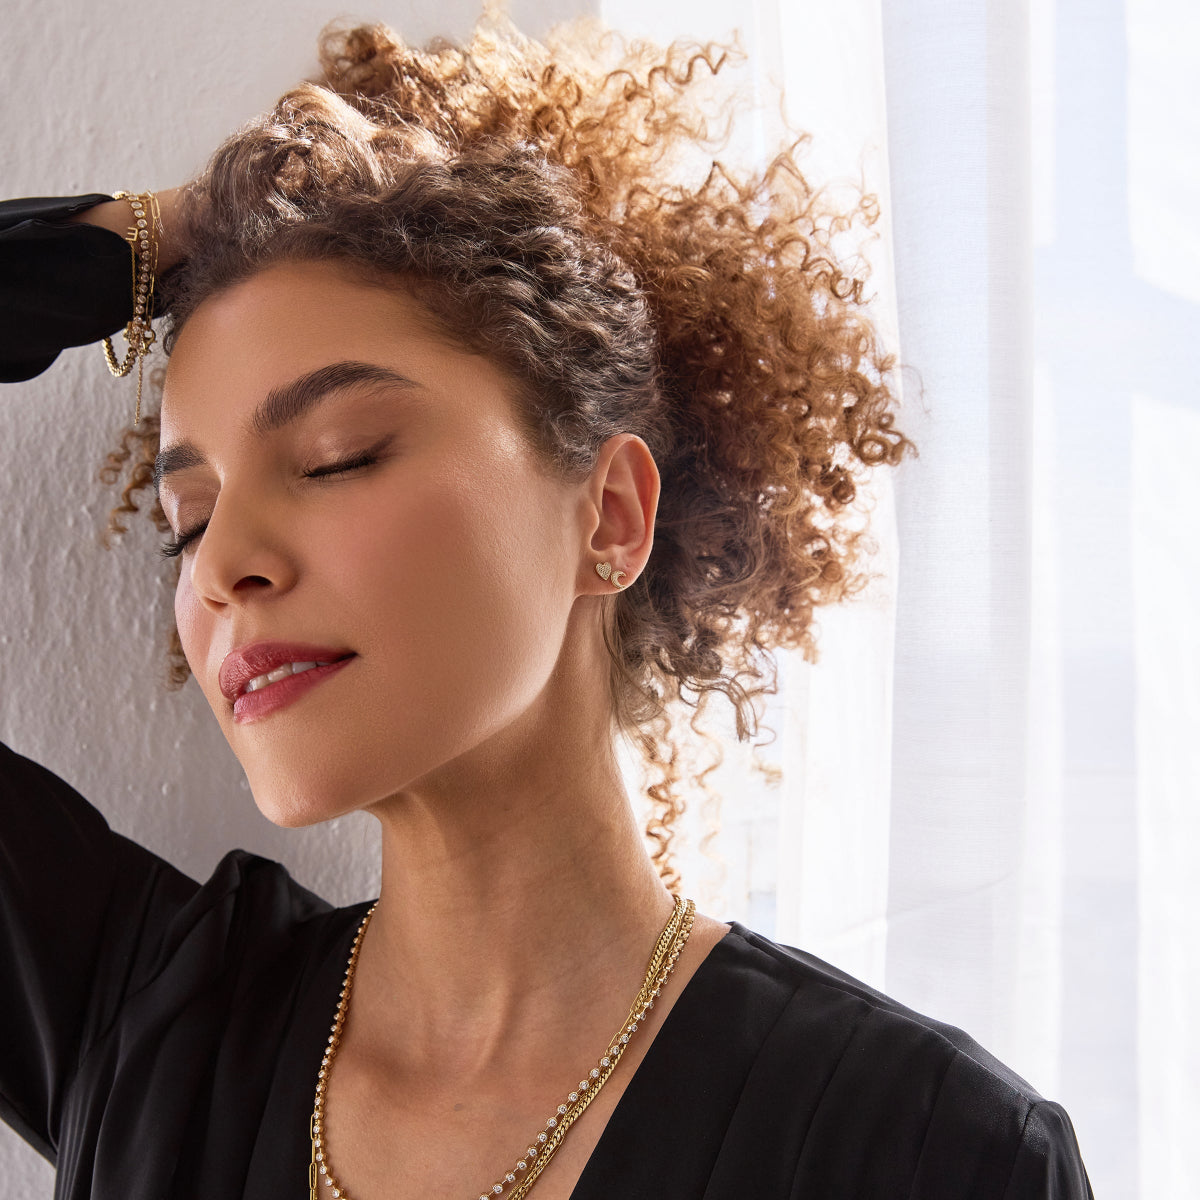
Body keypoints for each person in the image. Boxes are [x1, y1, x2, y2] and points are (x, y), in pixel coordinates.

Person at [0, 18, 1094, 1200]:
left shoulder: (930, 1153)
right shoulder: (151, 1030)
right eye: (191, 519)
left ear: (610, 516)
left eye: (336, 457)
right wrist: (162, 234)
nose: (224, 569)